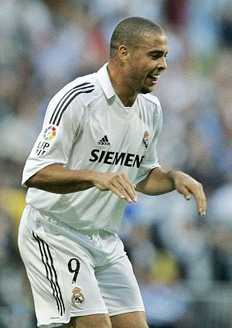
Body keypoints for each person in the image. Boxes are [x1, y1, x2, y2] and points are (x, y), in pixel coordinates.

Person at [18, 17, 206, 328]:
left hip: (105, 239)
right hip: (55, 231)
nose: (163, 66)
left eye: (165, 56)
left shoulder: (151, 110)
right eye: (155, 55)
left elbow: (142, 176)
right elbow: (35, 173)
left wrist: (172, 178)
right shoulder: (78, 99)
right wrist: (93, 176)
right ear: (124, 53)